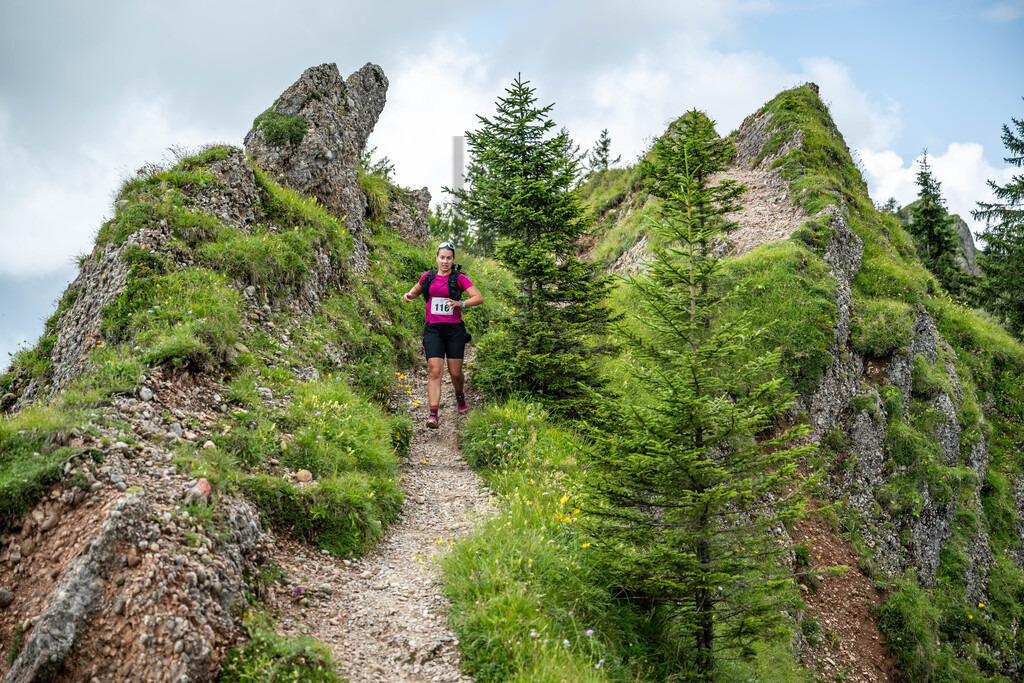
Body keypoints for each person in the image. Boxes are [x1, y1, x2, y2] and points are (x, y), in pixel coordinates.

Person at [402, 241, 483, 428]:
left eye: (448, 258)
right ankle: (433, 414)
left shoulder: (459, 278)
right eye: (442, 257)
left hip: (454, 330)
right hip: (433, 329)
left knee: (455, 372)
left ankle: (459, 394)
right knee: (435, 371)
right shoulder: (428, 277)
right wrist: (408, 296)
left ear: (453, 260)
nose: (445, 261)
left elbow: (478, 298)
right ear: (436, 258)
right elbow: (415, 291)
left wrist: (459, 303)